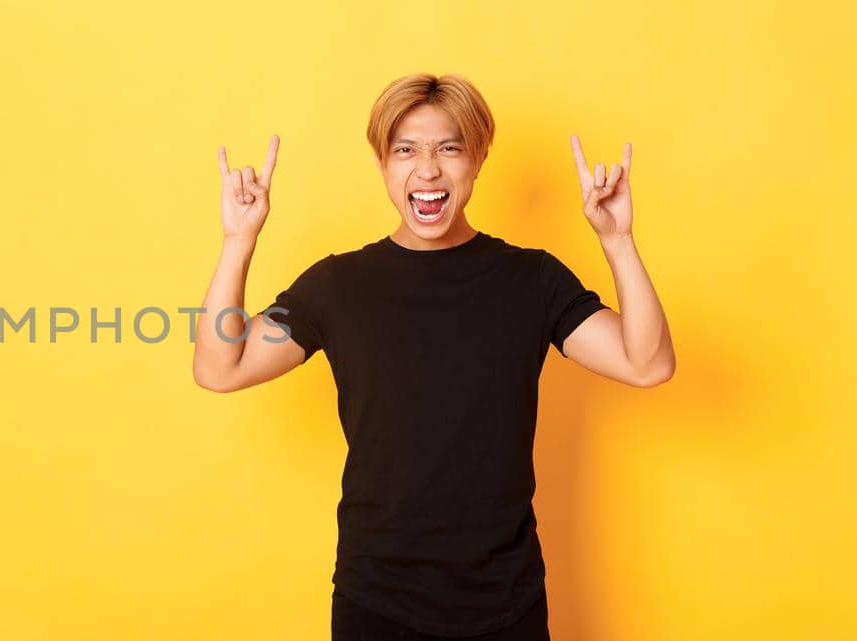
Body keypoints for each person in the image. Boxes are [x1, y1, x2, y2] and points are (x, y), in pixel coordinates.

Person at [190, 73, 676, 639]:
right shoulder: (338, 285)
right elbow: (218, 368)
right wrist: (238, 242)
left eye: (449, 148)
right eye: (406, 150)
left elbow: (648, 363)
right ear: (383, 165)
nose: (427, 169)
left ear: (478, 159)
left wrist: (617, 241)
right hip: (376, 601)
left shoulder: (531, 279)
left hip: (505, 602)